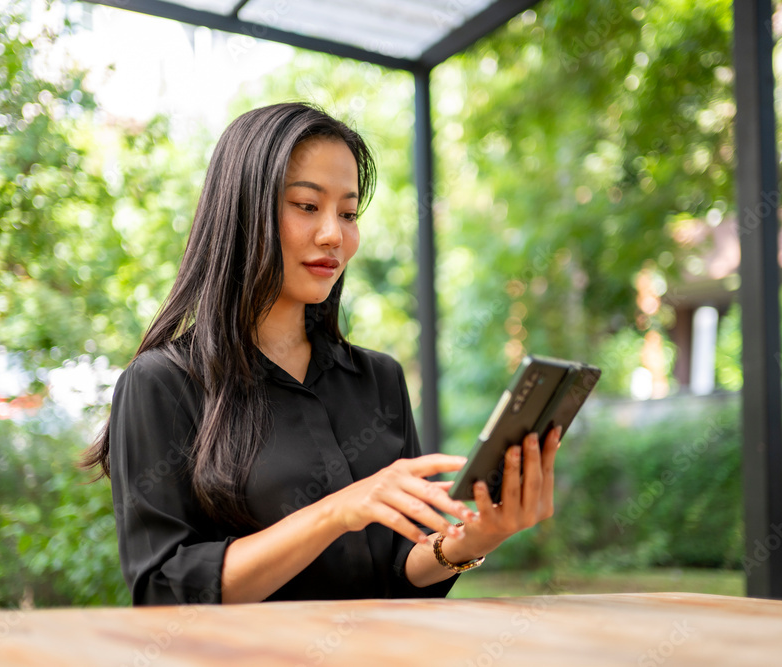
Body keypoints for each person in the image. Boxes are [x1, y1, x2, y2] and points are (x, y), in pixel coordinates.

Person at [80, 102, 562, 605]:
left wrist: (475, 538)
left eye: (348, 214)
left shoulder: (379, 378)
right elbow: (162, 589)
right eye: (307, 205)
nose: (335, 235)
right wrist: (337, 511)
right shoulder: (160, 383)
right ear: (243, 212)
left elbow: (399, 566)